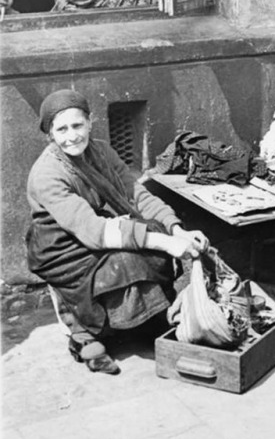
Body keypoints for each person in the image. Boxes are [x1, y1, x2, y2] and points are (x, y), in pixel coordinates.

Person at [26, 89, 210, 375]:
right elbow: (94, 231)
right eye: (61, 129)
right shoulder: (47, 174)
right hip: (62, 247)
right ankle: (87, 339)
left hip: (97, 228)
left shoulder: (101, 151)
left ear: (90, 122)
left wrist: (176, 230)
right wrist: (166, 243)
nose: (72, 136)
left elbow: (137, 195)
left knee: (151, 233)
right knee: (124, 262)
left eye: (77, 125)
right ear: (50, 134)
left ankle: (146, 322)